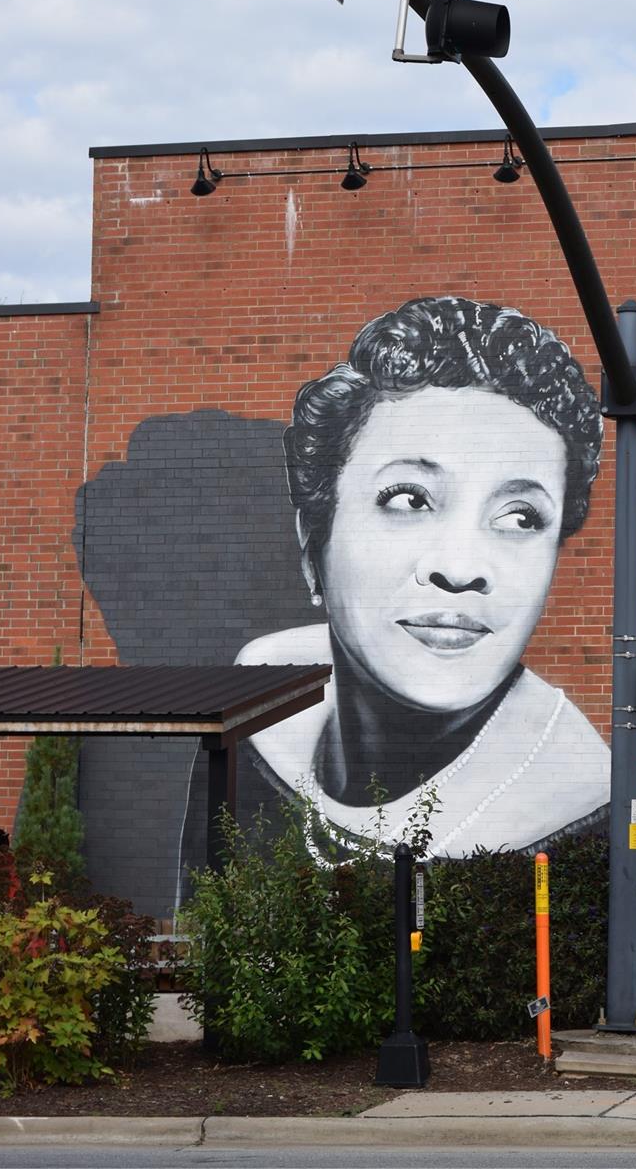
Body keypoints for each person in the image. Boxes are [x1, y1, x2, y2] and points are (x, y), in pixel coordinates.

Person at [237, 295, 614, 858]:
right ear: (313, 543)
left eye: (519, 518)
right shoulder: (252, 736)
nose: (460, 570)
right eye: (409, 499)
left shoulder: (593, 821)